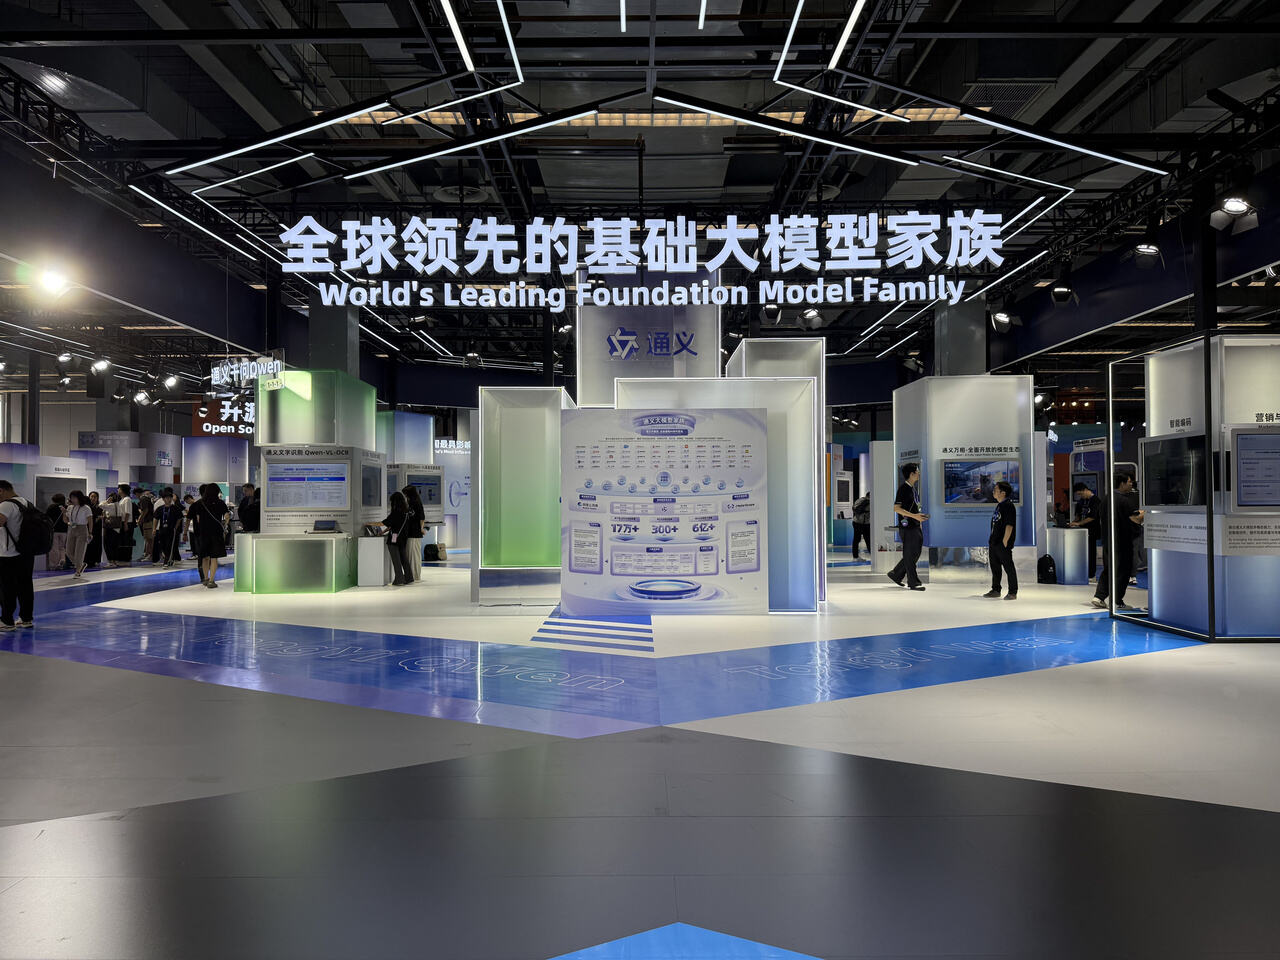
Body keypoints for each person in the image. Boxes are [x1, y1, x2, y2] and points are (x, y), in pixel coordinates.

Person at [1092, 472, 1145, 610]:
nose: (1131, 484)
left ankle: (1099, 596)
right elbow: (1135, 519)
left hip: (1108, 540)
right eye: (1129, 481)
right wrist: (1145, 513)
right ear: (1122, 483)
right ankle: (1117, 601)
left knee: (1109, 569)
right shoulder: (1124, 501)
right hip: (1123, 541)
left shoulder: (1106, 498)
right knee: (1123, 571)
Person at [0, 480, 35, 629]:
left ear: (1, 490)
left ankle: (7, 620)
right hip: (26, 552)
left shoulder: (6, 505)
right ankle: (26, 618)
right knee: (25, 585)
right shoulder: (26, 503)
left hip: (8, 553)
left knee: (7, 587)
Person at [888, 462, 928, 591]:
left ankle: (896, 574)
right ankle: (913, 582)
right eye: (917, 471)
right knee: (910, 554)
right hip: (907, 526)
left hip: (914, 525)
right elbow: (896, 508)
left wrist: (918, 519)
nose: (919, 473)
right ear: (911, 474)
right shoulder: (903, 489)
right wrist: (914, 516)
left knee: (914, 553)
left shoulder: (912, 488)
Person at [983, 481, 1018, 600]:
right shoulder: (1000, 505)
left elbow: (1009, 525)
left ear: (1003, 493)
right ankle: (996, 589)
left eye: (996, 490)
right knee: (995, 567)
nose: (993, 491)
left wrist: (1005, 541)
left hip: (1002, 543)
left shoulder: (1008, 506)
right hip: (994, 542)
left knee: (1008, 567)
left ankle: (1012, 592)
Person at [190, 483, 229, 587]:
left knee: (205, 557)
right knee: (214, 557)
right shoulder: (220, 503)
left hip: (204, 533)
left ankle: (205, 579)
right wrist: (225, 525)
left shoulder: (200, 503)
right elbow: (226, 516)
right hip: (216, 533)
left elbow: (198, 519)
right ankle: (211, 581)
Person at [1069, 482, 1102, 580]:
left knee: (1091, 553)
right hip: (1081, 531)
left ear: (1085, 490)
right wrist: (1074, 522)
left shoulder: (1095, 501)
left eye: (1080, 494)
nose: (1080, 496)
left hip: (1092, 531)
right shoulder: (1081, 502)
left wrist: (1079, 523)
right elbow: (1078, 515)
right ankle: (1082, 572)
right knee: (1082, 552)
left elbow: (1092, 517)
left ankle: (1091, 575)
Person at [380, 490, 412, 586]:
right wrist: (384, 531)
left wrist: (368, 523)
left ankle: (399, 579)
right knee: (403, 558)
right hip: (403, 538)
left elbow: (384, 523)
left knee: (396, 559)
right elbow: (394, 525)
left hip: (394, 538)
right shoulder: (406, 512)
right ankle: (409, 577)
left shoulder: (395, 512)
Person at [64, 490, 93, 580]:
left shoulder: (86, 508)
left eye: (74, 498)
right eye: (71, 498)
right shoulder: (70, 507)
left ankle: (78, 571)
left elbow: (90, 521)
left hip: (82, 529)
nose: (72, 499)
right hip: (72, 528)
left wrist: (90, 532)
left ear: (79, 498)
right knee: (68, 551)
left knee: (79, 552)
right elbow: (65, 520)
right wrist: (64, 513)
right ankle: (81, 564)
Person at [152, 489, 184, 566]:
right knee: (162, 545)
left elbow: (180, 518)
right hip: (162, 530)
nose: (169, 499)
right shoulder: (160, 509)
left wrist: (176, 527)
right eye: (167, 498)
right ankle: (169, 558)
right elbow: (156, 519)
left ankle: (167, 561)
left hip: (171, 530)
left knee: (169, 545)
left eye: (170, 498)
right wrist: (154, 529)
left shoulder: (175, 508)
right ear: (163, 499)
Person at [401, 485, 426, 582]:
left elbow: (422, 517)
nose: (405, 496)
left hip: (414, 532)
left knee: (414, 555)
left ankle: (414, 575)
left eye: (406, 494)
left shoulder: (416, 503)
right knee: (411, 554)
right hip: (411, 532)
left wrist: (421, 529)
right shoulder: (411, 502)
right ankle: (412, 575)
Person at [46, 493, 69, 571]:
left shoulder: (51, 507)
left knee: (54, 548)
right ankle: (62, 560)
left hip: (54, 530)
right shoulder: (66, 507)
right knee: (62, 547)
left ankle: (54, 564)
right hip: (64, 530)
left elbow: (47, 518)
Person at [84, 491, 103, 569]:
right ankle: (88, 561)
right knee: (89, 545)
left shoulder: (99, 508)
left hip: (97, 529)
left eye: (95, 497)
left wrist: (101, 517)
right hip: (89, 528)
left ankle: (96, 560)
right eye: (91, 496)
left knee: (97, 544)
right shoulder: (87, 507)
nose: (93, 498)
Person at [850, 493, 871, 559]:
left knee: (856, 540)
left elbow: (854, 508)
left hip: (856, 522)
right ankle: (873, 556)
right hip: (864, 523)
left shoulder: (859, 500)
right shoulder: (870, 502)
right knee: (868, 540)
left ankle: (855, 556)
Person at [137, 490, 156, 561]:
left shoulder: (143, 498)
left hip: (148, 521)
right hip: (148, 520)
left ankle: (151, 555)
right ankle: (147, 554)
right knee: (148, 539)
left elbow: (145, 510)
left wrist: (139, 520)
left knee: (150, 539)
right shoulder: (148, 499)